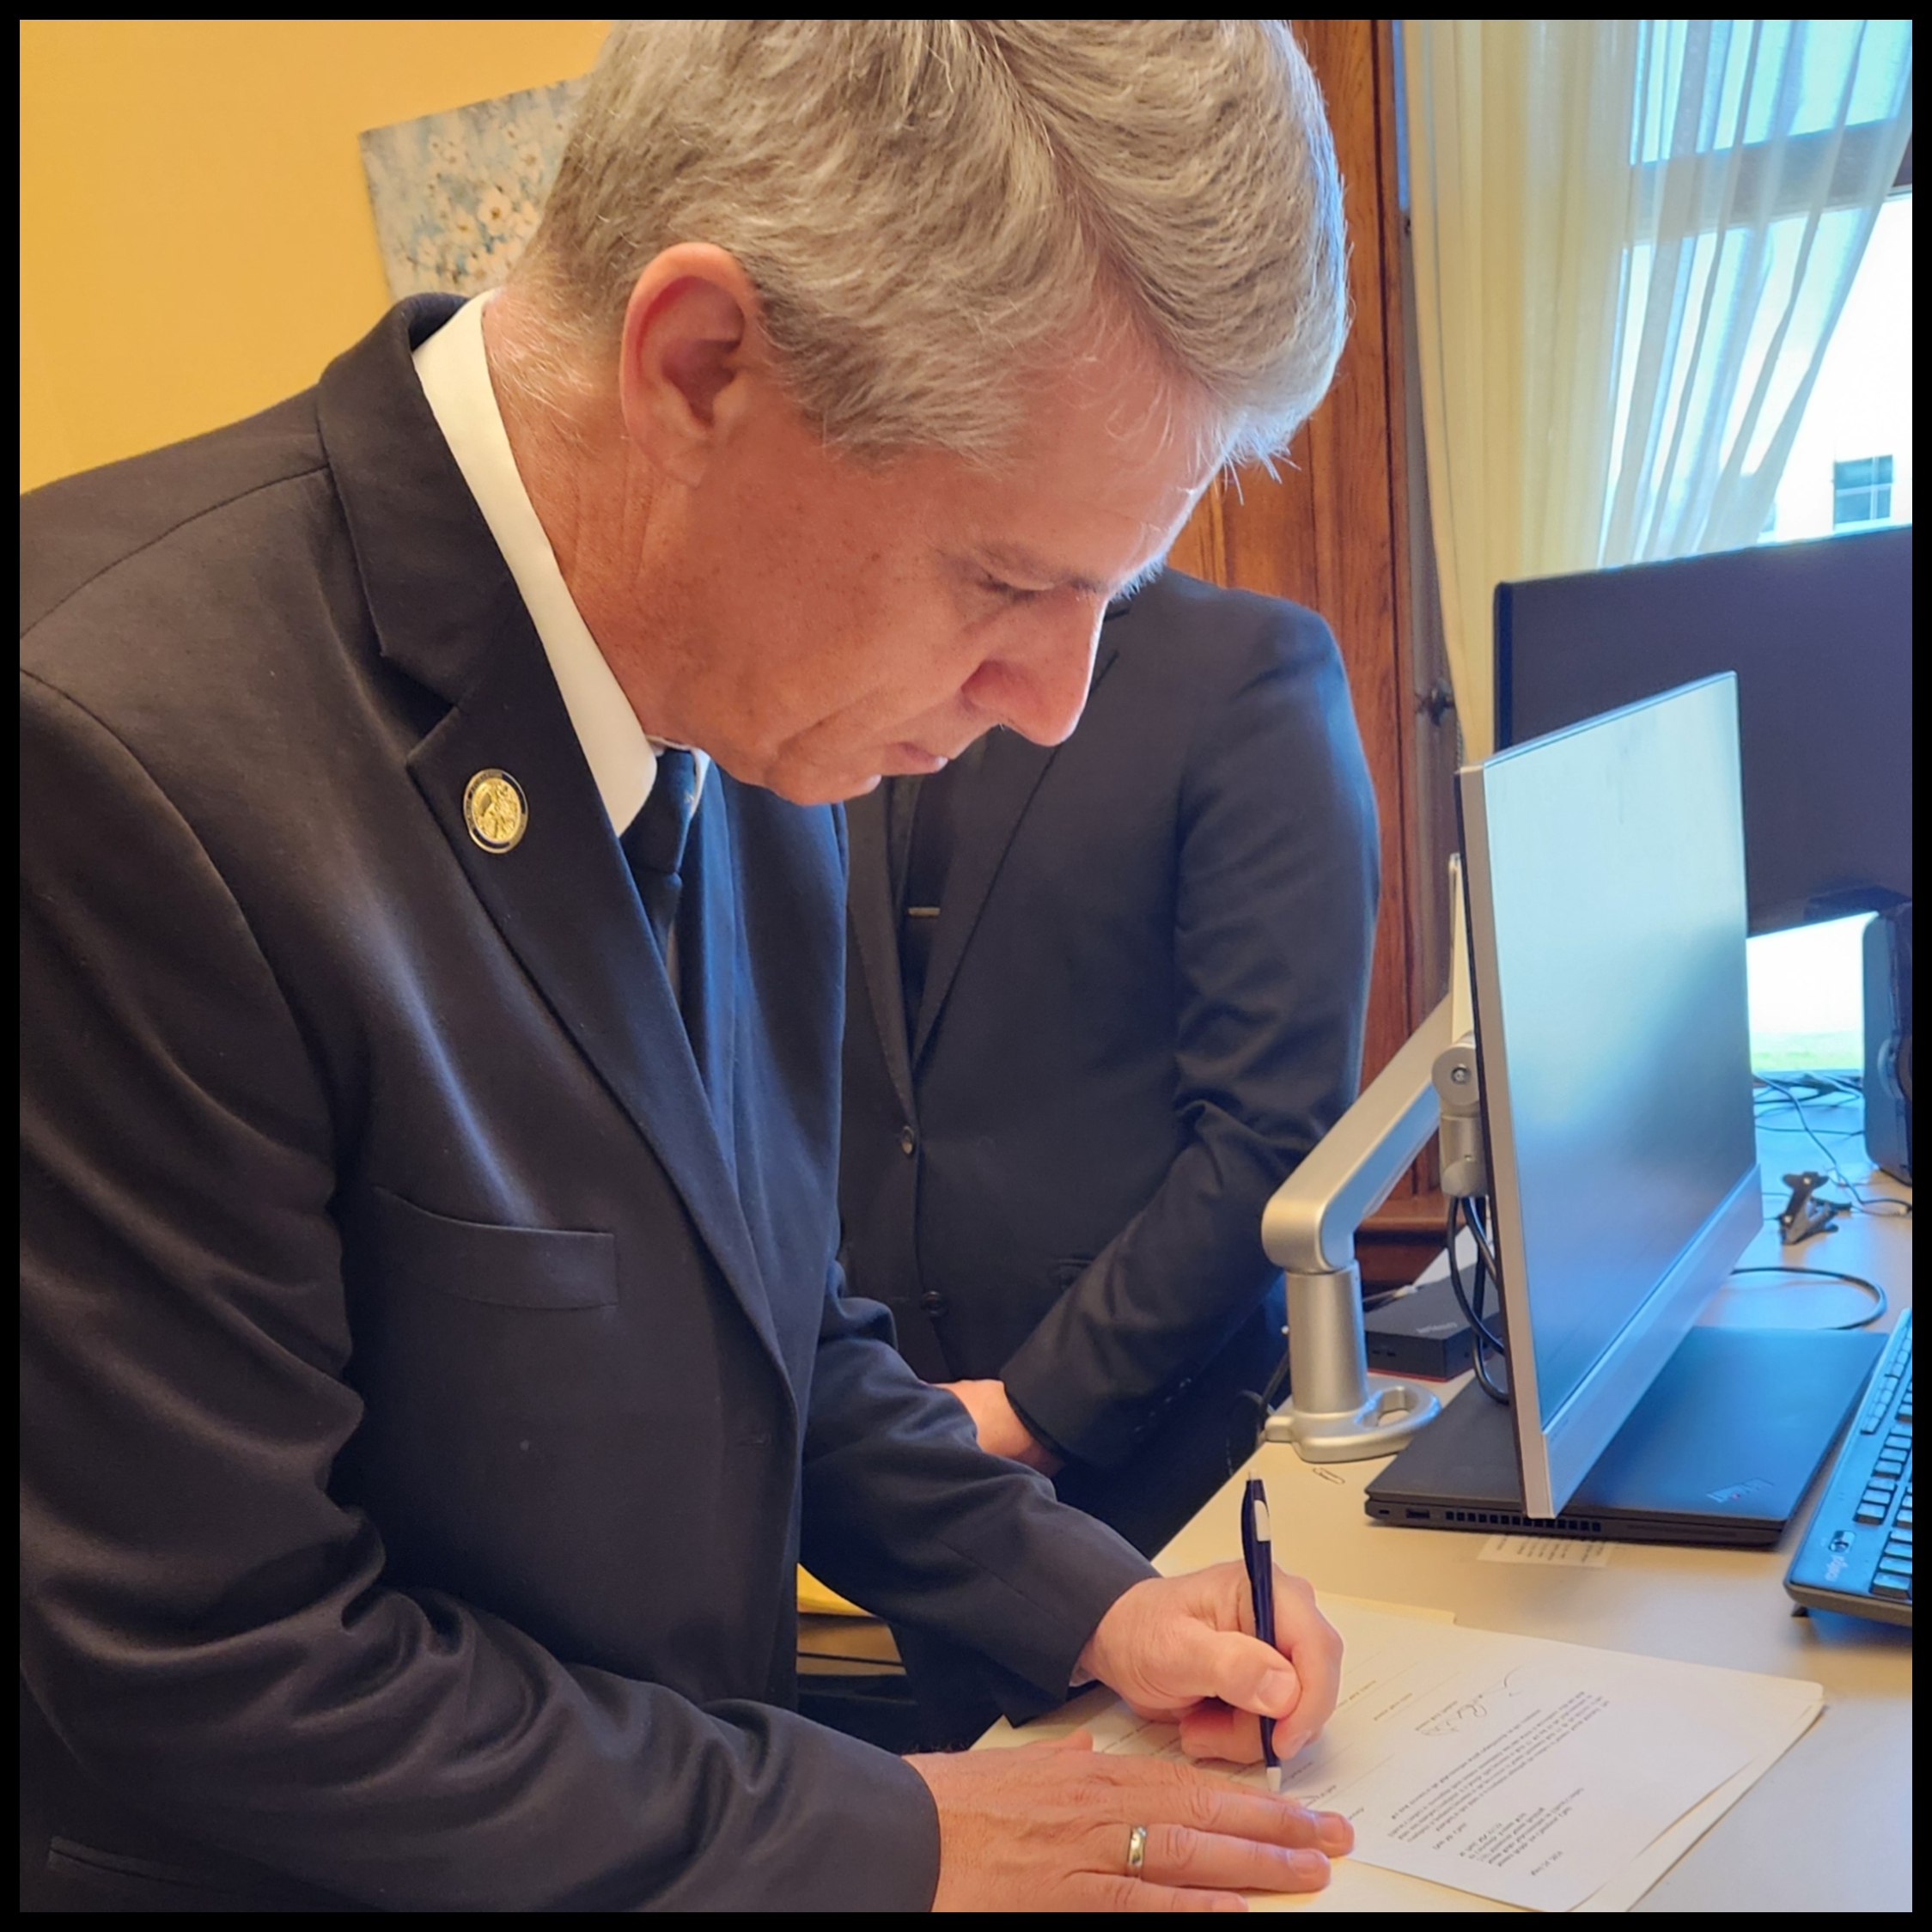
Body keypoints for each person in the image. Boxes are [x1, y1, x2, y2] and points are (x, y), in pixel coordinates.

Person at [21, 21, 1354, 1914]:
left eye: (1105, 599)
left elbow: (766, 1325)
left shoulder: (745, 691)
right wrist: (893, 1835)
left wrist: (1092, 1601)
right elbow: (224, 1658)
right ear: (702, 366)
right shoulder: (107, 754)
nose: (1055, 705)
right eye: (1002, 580)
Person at [838, 567, 1376, 1743]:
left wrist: (1039, 1405)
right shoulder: (839, 664)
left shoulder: (1242, 671)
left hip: (1161, 1442)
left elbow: (1270, 1128)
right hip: (900, 1449)